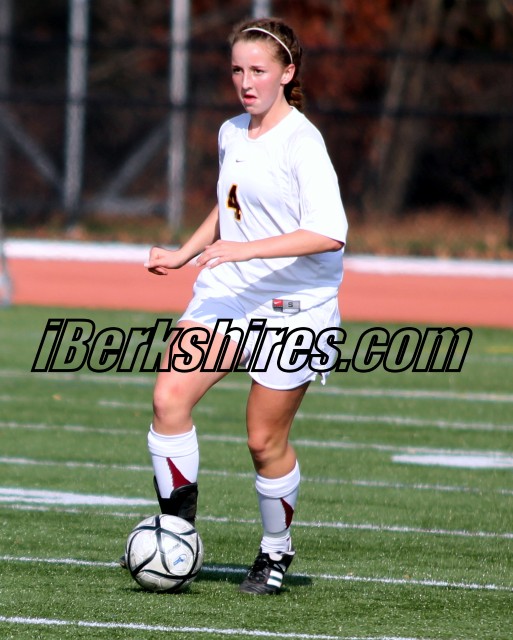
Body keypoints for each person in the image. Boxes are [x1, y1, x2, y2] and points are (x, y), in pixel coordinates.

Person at [129, 16, 348, 595]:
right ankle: (176, 531)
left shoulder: (303, 142)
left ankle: (276, 550)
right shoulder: (231, 132)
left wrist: (243, 249)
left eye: (258, 70)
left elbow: (329, 233)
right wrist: (184, 253)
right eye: (237, 70)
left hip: (296, 305)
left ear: (287, 73)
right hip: (231, 291)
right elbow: (229, 206)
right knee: (169, 397)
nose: (246, 82)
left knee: (262, 441)